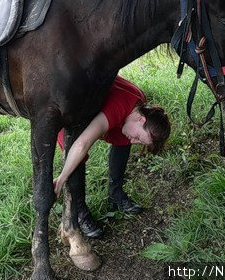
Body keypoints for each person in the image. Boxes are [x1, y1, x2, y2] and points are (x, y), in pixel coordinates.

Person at [53, 75, 171, 238]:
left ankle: (116, 196)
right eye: (138, 137)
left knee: (124, 139)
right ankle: (79, 211)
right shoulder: (119, 108)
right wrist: (60, 180)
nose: (135, 141)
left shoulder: (139, 104)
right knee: (77, 154)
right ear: (140, 118)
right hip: (69, 108)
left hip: (98, 101)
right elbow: (82, 144)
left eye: (140, 141)